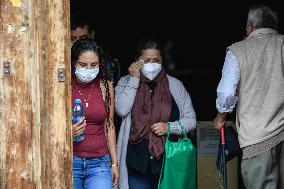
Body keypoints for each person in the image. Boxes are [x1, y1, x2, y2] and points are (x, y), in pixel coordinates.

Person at [213, 5, 284, 189]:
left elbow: (227, 93)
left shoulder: (237, 51)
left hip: (257, 139)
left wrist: (221, 117)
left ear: (250, 26)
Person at [114, 38, 196, 189]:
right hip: (136, 163)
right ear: (137, 61)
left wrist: (169, 127)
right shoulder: (125, 82)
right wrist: (133, 79)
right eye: (146, 60)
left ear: (162, 61)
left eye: (156, 60)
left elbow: (191, 120)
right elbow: (121, 110)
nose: (151, 64)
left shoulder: (175, 85)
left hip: (168, 162)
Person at [71, 38, 119, 189]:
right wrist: (68, 132)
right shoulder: (63, 84)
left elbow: (109, 126)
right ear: (73, 63)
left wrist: (114, 163)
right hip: (70, 161)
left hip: (99, 162)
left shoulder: (105, 85)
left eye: (94, 65)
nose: (88, 69)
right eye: (83, 65)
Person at [71, 14, 121, 87]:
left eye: (83, 38)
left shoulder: (109, 64)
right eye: (72, 39)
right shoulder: (59, 61)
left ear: (92, 35)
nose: (78, 43)